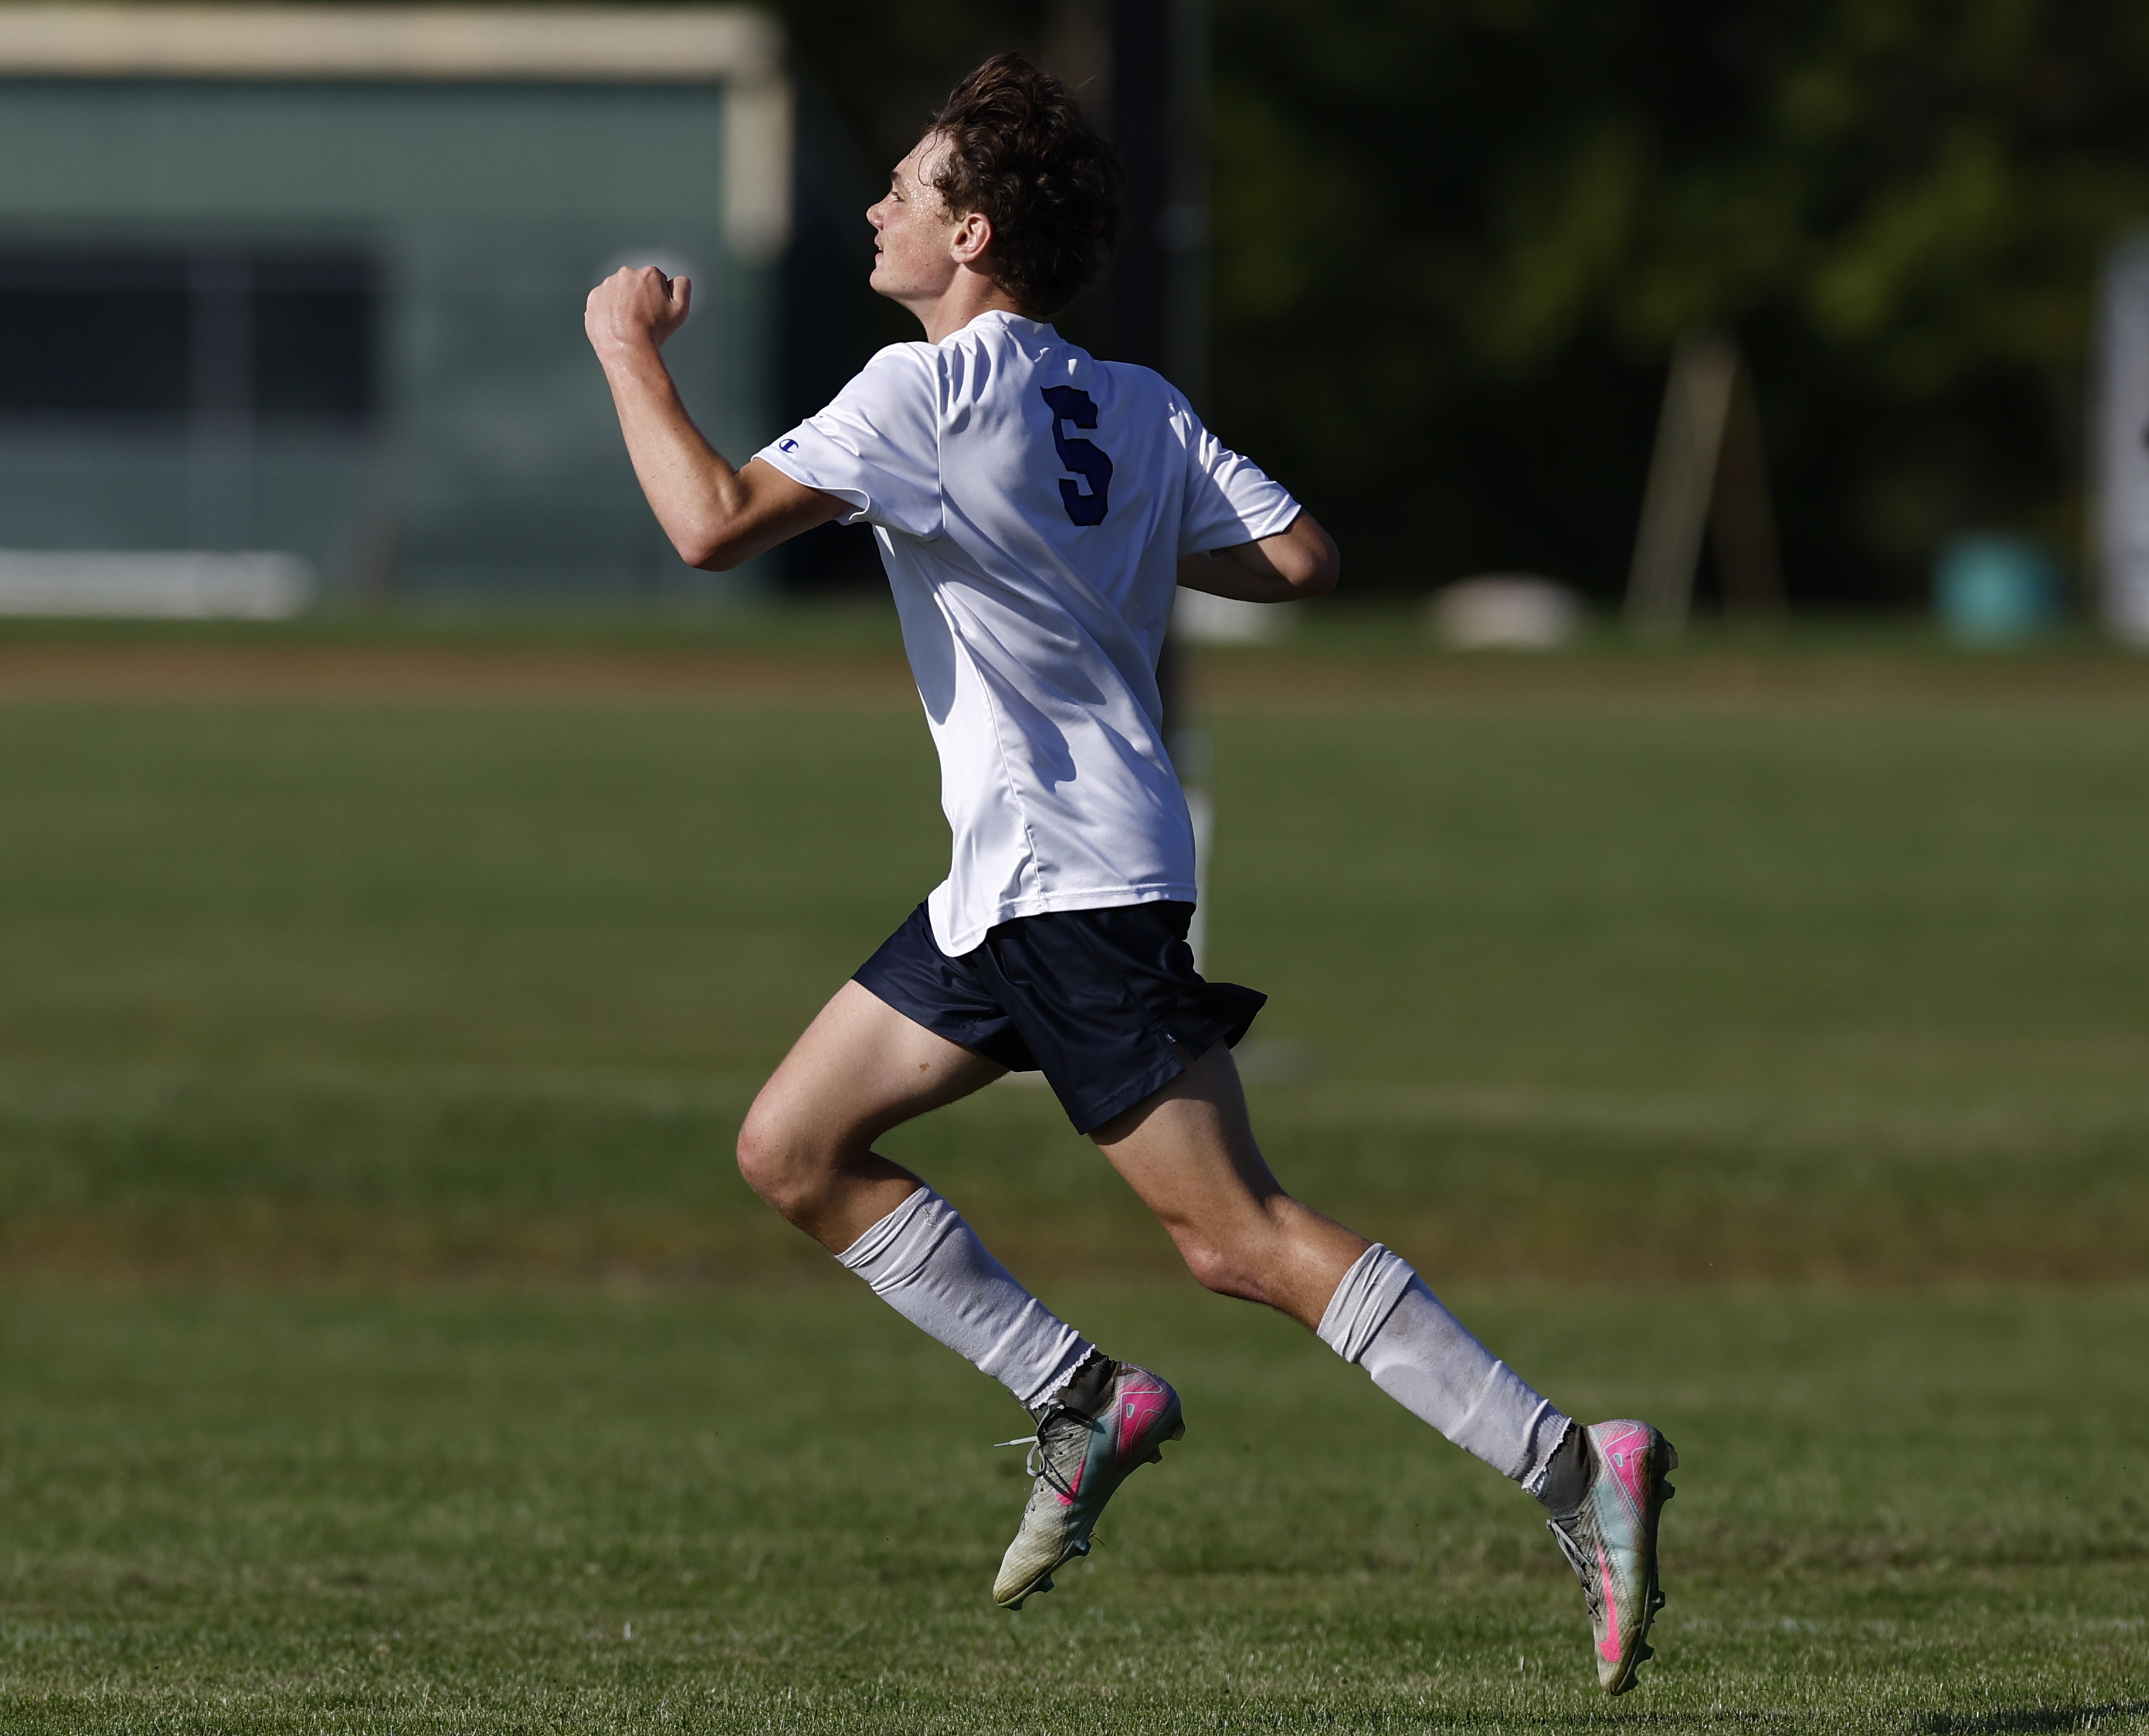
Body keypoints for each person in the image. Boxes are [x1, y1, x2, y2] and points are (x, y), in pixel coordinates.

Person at [584, 51, 1675, 1696]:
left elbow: (711, 520)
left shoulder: (919, 391)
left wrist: (626, 354)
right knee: (792, 1144)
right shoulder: (1136, 401)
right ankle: (1082, 1397)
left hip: (1071, 883)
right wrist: (1098, 547)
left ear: (973, 234)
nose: (879, 205)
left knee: (1237, 1238)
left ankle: (1571, 1464)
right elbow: (1302, 556)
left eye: (907, 185)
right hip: (1016, 882)